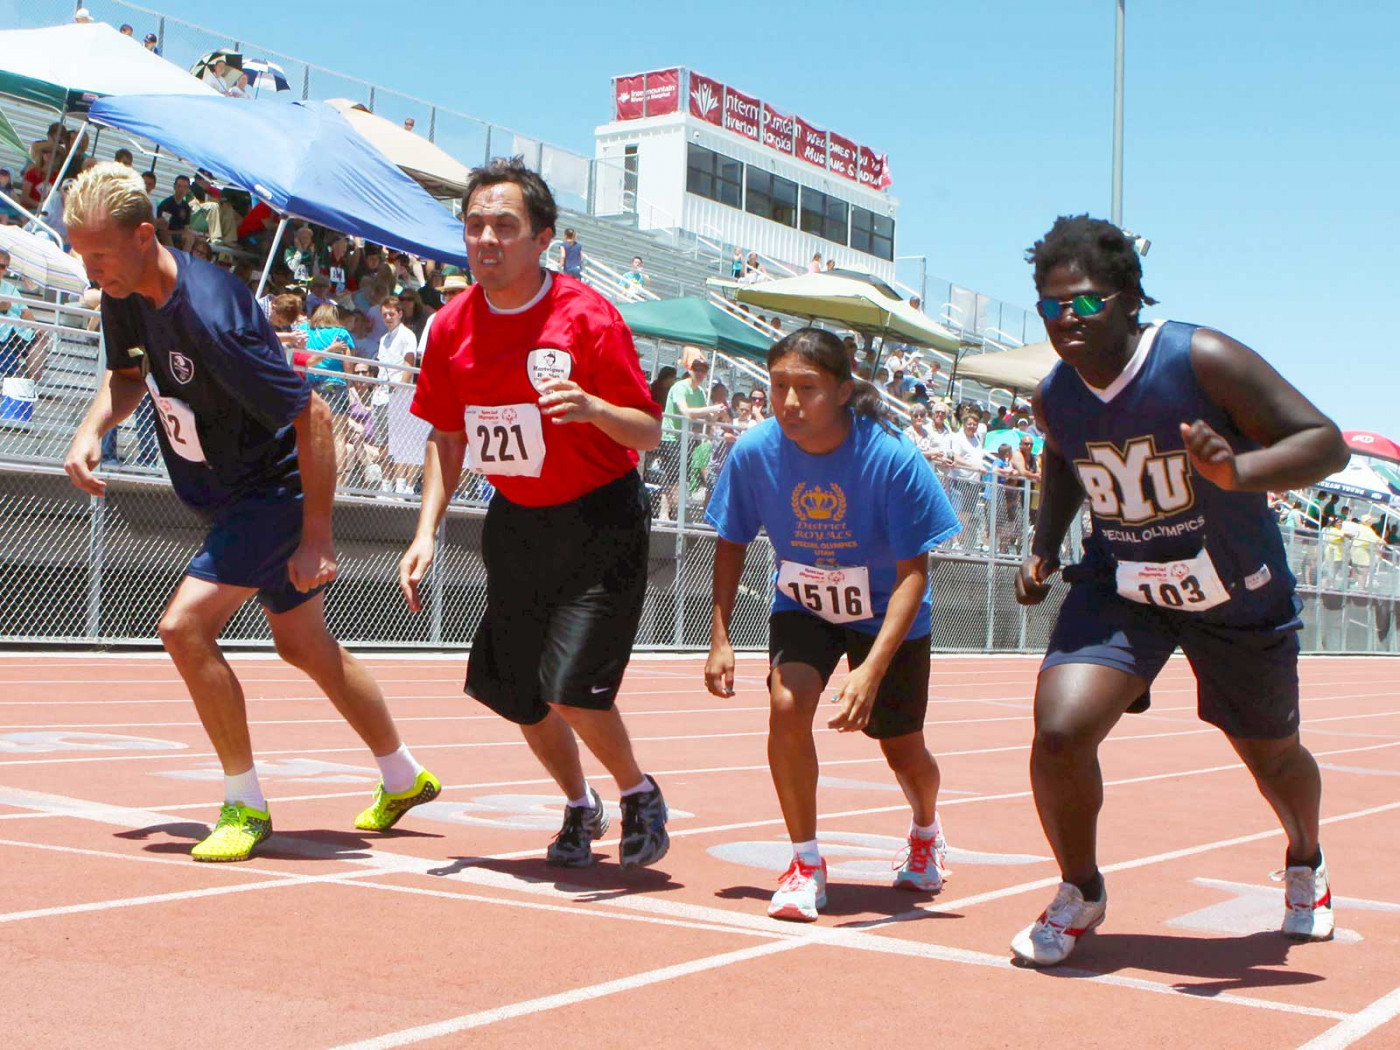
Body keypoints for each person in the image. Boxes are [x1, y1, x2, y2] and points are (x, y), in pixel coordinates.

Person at [60, 163, 440, 862]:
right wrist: (91, 429)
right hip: (230, 496)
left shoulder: (213, 317)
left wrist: (318, 536)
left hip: (275, 494)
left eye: (99, 255)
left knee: (184, 628)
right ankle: (403, 774)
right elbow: (127, 376)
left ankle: (245, 805)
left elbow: (313, 415)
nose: (91, 270)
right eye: (83, 256)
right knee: (303, 646)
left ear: (143, 237)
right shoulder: (125, 289)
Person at [1009, 214, 1349, 966]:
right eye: (1051, 305)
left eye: (1085, 301)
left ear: (1129, 299)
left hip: (1235, 590)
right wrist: (1043, 545)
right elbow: (1062, 458)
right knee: (1059, 732)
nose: (1067, 318)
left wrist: (1239, 471)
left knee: (1273, 757)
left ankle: (1306, 858)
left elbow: (1325, 443)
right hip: (1124, 583)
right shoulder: (1056, 395)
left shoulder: (1201, 359)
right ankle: (1081, 889)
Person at [400, 157, 671, 869]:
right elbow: (447, 437)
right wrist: (426, 531)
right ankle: (581, 805)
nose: (486, 239)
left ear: (542, 239)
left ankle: (639, 791)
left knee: (573, 689)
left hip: (600, 519)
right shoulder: (450, 326)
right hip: (517, 521)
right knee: (520, 694)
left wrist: (593, 407)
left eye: (505, 226)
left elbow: (649, 430)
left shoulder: (587, 316)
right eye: (475, 225)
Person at [704, 328, 961, 921]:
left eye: (807, 388)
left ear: (843, 392)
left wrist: (871, 670)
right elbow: (731, 539)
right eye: (778, 386)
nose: (789, 402)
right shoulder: (754, 452)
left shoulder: (891, 456)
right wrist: (720, 637)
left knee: (902, 749)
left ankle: (926, 830)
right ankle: (804, 863)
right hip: (804, 603)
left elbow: (914, 574)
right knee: (786, 704)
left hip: (887, 612)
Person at [660, 354, 726, 520]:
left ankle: (672, 514)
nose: (700, 373)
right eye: (697, 369)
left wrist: (719, 413)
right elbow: (687, 413)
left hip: (687, 438)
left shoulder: (700, 392)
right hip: (671, 437)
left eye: (704, 370)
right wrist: (710, 409)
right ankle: (669, 514)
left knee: (681, 476)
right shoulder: (680, 387)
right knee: (673, 477)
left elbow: (708, 417)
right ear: (689, 369)